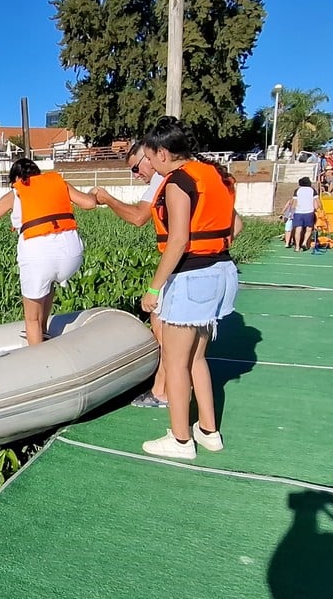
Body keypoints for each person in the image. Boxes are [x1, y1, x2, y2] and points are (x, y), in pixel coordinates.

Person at [137, 116, 242, 460]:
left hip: (191, 279)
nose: (149, 164)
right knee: (197, 358)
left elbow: (179, 240)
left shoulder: (178, 182)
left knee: (175, 362)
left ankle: (181, 440)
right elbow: (237, 225)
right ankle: (209, 431)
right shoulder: (214, 175)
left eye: (149, 157)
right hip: (222, 272)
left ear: (163, 153)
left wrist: (154, 289)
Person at [0, 158, 97, 345]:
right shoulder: (58, 183)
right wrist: (93, 193)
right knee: (49, 283)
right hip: (71, 254)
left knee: (31, 319)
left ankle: (38, 354)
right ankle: (44, 331)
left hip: (38, 255)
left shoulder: (16, 192)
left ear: (16, 179)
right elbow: (89, 203)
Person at [91, 150, 169, 408]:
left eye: (136, 168)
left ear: (151, 156)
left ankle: (162, 390)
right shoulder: (198, 174)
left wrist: (107, 199)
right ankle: (167, 385)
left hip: (181, 261)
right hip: (208, 262)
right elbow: (235, 225)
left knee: (161, 324)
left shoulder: (163, 177)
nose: (136, 175)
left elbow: (138, 217)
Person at [290, 177, 317, 252]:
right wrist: (316, 208)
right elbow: (316, 202)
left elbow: (294, 202)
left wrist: (291, 212)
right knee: (309, 228)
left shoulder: (297, 190)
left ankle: (297, 247)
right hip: (309, 211)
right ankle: (304, 242)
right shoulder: (312, 190)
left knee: (298, 229)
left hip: (298, 212)